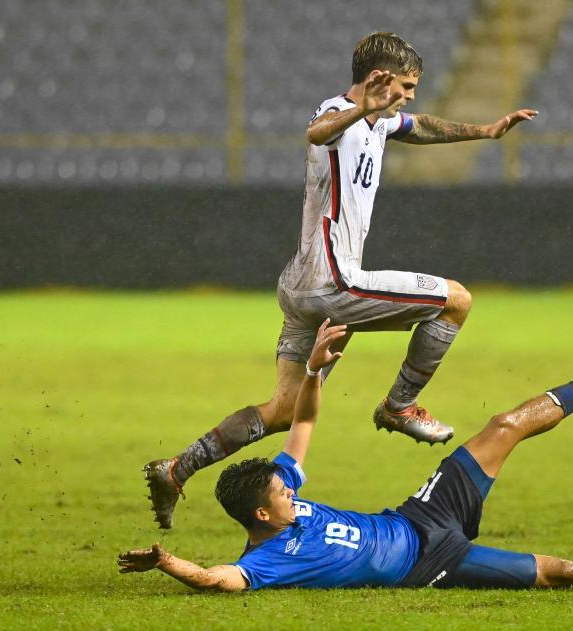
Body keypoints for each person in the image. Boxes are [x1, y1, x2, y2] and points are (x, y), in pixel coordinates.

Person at [141, 32, 539, 529]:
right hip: (337, 283)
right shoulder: (337, 114)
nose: (410, 95)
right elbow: (317, 133)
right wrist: (361, 110)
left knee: (285, 410)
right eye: (406, 85)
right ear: (377, 79)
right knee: (456, 301)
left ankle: (176, 469)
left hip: (300, 288)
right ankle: (400, 406)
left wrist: (484, 130)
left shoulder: (380, 118)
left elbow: (418, 126)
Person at [120, 320, 573, 592]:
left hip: (418, 515)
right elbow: (215, 580)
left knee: (504, 425)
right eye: (283, 496)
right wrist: (168, 561)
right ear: (261, 518)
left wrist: (314, 371)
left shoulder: (275, 492)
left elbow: (303, 425)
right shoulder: (269, 562)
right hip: (433, 560)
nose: (291, 492)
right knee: (562, 571)